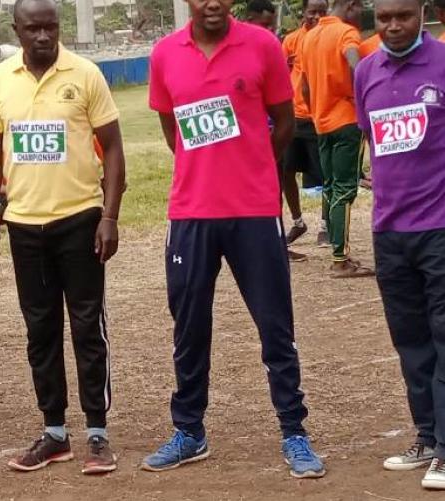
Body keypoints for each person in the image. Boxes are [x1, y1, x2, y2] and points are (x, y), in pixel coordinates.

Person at [141, 0, 325, 479]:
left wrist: (251, 166)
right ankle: (190, 431)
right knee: (188, 327)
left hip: (254, 211)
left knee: (275, 328)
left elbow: (284, 123)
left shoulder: (262, 45)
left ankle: (294, 431)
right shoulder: (164, 54)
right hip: (191, 213)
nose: (212, 3)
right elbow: (172, 132)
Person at [0, 0, 126, 475]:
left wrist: (109, 215)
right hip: (24, 227)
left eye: (51, 27)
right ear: (16, 30)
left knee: (87, 327)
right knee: (40, 331)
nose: (44, 36)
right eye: (33, 28)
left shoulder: (85, 74)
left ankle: (98, 433)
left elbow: (116, 146)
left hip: (80, 220)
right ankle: (55, 432)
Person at [355, 0, 445, 490]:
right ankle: (428, 438)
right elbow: (371, 138)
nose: (393, 26)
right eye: (384, 17)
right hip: (390, 232)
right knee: (410, 340)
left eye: (403, 17)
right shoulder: (366, 70)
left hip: (440, 228)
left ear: (422, 14)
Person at [300, 0, 374, 277]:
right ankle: (340, 259)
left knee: (330, 186)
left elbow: (304, 86)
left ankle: (338, 249)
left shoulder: (308, 37)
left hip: (321, 122)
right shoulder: (346, 33)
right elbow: (357, 64)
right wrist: (364, 98)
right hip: (346, 120)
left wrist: (315, 111)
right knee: (345, 189)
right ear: (352, 6)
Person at [282, 0, 329, 247]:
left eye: (323, 11)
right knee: (286, 172)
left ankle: (326, 225)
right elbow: (279, 73)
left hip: (319, 116)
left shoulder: (331, 37)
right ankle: (298, 222)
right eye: (313, 11)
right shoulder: (291, 40)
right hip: (294, 117)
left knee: (325, 174)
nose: (318, 16)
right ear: (304, 12)